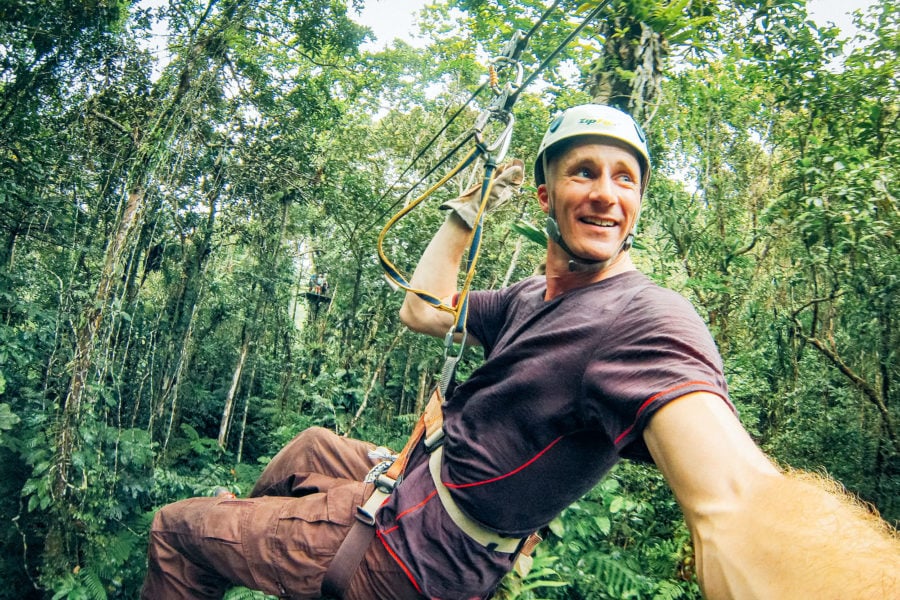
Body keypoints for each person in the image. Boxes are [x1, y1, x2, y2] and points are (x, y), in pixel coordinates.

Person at [142, 104, 899, 599]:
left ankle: (237, 548)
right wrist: (469, 209)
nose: (607, 192)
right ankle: (252, 543)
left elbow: (734, 497)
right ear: (546, 197)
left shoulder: (644, 321)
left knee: (175, 532)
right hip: (420, 482)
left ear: (637, 206)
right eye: (584, 172)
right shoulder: (530, 299)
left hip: (420, 552)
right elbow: (421, 307)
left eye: (624, 178)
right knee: (308, 446)